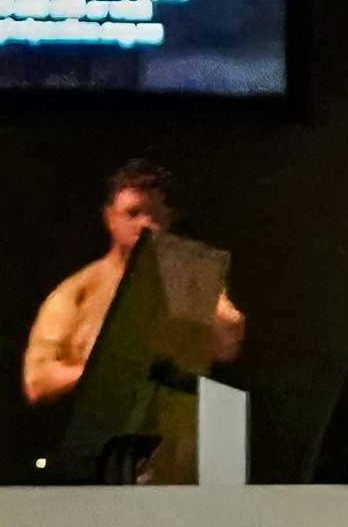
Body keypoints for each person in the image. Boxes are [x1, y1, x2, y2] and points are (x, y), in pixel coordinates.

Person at [20, 161, 245, 409]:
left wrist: (201, 298)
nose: (145, 224)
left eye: (155, 214)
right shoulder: (79, 290)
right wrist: (103, 370)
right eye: (133, 213)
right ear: (110, 218)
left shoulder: (191, 275)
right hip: (108, 426)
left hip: (177, 424)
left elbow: (227, 348)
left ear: (168, 218)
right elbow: (36, 380)